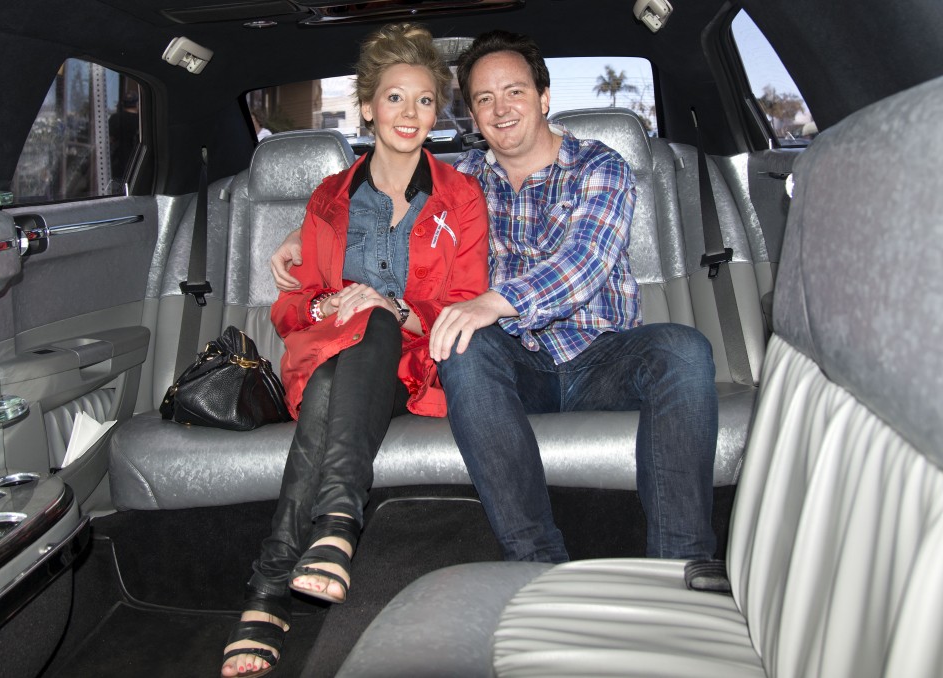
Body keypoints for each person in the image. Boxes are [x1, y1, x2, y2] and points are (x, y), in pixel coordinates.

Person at [270, 30, 718, 567]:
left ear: (544, 98)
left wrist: (493, 303)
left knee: (685, 350)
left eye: (515, 92)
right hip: (510, 367)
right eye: (484, 99)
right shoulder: (464, 182)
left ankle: (682, 565)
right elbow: (386, 199)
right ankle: (535, 561)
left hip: (602, 356)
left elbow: (584, 265)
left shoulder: (600, 166)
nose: (500, 109)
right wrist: (307, 234)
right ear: (472, 117)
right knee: (464, 345)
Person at [221, 23, 489, 678]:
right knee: (350, 343)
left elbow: (466, 300)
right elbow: (293, 307)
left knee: (372, 322)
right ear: (367, 106)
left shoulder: (461, 197)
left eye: (425, 101)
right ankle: (336, 526)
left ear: (437, 111)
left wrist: (390, 307)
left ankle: (266, 592)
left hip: (417, 367)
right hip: (327, 358)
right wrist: (327, 305)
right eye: (395, 99)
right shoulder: (328, 200)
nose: (410, 115)